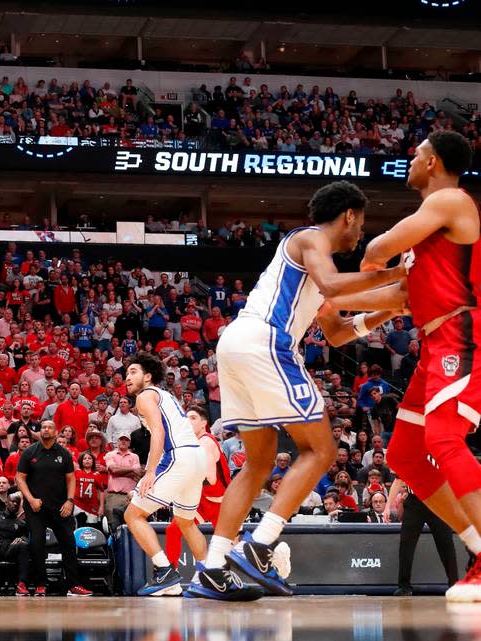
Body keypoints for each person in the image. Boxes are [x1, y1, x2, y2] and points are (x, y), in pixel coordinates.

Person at [187, 181, 404, 601]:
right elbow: (338, 286)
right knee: (322, 449)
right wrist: (399, 277)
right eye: (362, 224)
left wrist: (392, 306)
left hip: (237, 345)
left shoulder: (312, 264)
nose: (361, 235)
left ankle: (212, 568)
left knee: (258, 463)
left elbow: (339, 332)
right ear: (350, 215)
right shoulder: (312, 238)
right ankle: (262, 543)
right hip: (267, 342)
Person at [347, 131, 481, 602]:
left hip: (462, 334)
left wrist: (368, 266)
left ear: (435, 163)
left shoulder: (450, 201)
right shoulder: (429, 235)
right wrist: (334, 305)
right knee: (404, 454)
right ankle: (476, 545)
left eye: (418, 155)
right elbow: (395, 292)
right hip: (433, 342)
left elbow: (378, 250)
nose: (411, 160)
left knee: (444, 439)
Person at [122, 353, 208, 597]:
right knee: (186, 522)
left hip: (178, 457)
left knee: (133, 514)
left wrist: (150, 472)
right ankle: (207, 575)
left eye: (134, 372)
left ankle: (165, 572)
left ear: (148, 376)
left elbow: (158, 432)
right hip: (196, 457)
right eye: (127, 373)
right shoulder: (167, 395)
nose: (128, 377)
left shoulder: (145, 396)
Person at [14, 420, 93, 597]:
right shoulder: (30, 452)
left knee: (69, 544)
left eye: (50, 427)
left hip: (60, 507)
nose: (46, 430)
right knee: (37, 544)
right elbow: (20, 478)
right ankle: (40, 584)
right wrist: (31, 499)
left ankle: (73, 585)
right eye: (43, 427)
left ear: (56, 432)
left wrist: (70, 501)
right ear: (40, 431)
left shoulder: (64, 453)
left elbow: (71, 478)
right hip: (36, 507)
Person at [165, 405, 231, 565]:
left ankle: (269, 562)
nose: (188, 421)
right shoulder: (194, 444)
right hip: (205, 500)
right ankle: (169, 575)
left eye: (193, 418)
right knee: (173, 530)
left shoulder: (205, 442)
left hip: (221, 501)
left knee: (232, 549)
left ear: (204, 423)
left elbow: (210, 479)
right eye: (186, 418)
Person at [388, 479, 458, 596]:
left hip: (438, 500)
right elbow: (398, 480)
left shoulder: (440, 460)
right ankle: (404, 586)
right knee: (406, 545)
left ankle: (454, 584)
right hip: (415, 501)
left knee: (446, 545)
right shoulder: (412, 460)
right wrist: (387, 507)